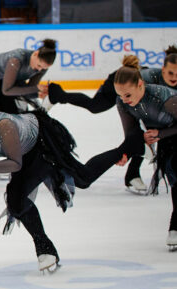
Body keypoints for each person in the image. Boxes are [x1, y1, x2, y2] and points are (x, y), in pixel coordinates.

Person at [0, 80, 110, 273]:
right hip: (21, 154)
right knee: (16, 201)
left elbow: (15, 164)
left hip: (42, 143)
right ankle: (45, 249)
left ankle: (129, 146)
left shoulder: (3, 125)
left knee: (83, 179)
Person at [40, 49, 177, 193]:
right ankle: (56, 94)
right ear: (163, 69)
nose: (174, 77)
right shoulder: (143, 84)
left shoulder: (164, 95)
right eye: (170, 72)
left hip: (139, 99)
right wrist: (127, 151)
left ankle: (132, 174)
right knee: (96, 106)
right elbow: (133, 130)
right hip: (123, 82)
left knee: (144, 137)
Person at [109, 60, 177, 251]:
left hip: (169, 133)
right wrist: (125, 152)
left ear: (140, 85)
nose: (124, 99)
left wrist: (160, 134)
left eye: (128, 94)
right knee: (174, 177)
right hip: (165, 137)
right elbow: (131, 133)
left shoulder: (165, 98)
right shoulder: (123, 103)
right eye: (120, 95)